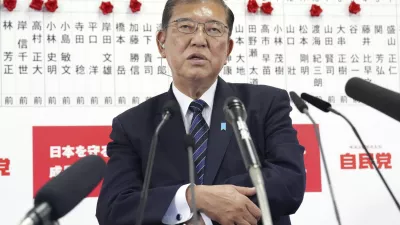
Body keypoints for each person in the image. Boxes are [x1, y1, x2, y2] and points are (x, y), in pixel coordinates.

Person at [95, 0, 306, 224]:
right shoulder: (133, 125)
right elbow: (114, 208)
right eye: (185, 27)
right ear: (161, 43)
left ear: (228, 49)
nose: (199, 40)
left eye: (214, 29)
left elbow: (289, 182)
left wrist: (209, 208)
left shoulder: (264, 104)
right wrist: (190, 199)